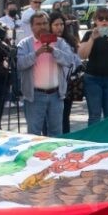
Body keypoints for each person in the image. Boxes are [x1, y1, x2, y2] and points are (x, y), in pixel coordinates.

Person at [17, 9, 77, 137]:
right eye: (38, 24)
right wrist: (36, 53)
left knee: (56, 134)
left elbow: (70, 61)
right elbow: (20, 64)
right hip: (35, 96)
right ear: (32, 27)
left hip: (56, 95)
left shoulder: (59, 42)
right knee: (34, 134)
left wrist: (54, 51)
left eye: (44, 23)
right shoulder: (25, 44)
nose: (42, 26)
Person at [77, 7, 108, 125]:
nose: (104, 21)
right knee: (94, 116)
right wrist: (92, 38)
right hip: (93, 79)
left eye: (107, 19)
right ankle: (94, 141)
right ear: (95, 21)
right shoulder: (89, 34)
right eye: (100, 18)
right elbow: (82, 55)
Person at [51, 10, 82, 133]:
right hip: (51, 85)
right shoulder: (47, 41)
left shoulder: (69, 41)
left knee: (64, 118)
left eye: (61, 24)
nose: (59, 28)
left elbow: (75, 62)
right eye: (56, 25)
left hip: (67, 85)